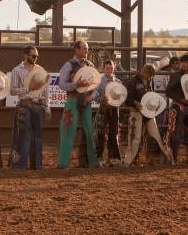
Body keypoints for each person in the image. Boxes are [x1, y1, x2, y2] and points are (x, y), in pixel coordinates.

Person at [57, 40, 98, 168]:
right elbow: (62, 84)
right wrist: (76, 85)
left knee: (88, 131)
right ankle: (63, 163)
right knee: (68, 129)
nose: (87, 50)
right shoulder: (68, 65)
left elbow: (96, 84)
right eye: (84, 48)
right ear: (76, 49)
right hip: (73, 98)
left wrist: (92, 96)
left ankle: (91, 163)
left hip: (85, 99)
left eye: (87, 48)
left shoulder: (89, 64)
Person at [9, 45, 50, 170]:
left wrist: (47, 107)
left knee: (37, 136)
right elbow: (12, 91)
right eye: (33, 56)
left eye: (37, 56)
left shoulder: (41, 70)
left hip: (37, 105)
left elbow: (45, 91)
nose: (35, 58)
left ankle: (36, 165)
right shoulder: (17, 70)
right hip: (25, 104)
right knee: (23, 135)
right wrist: (28, 88)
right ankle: (19, 164)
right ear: (26, 55)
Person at [123, 63, 172, 166]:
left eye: (150, 76)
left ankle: (151, 158)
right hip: (137, 111)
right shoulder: (133, 81)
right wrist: (135, 103)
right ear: (144, 72)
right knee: (135, 137)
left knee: (154, 135)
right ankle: (130, 161)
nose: (149, 77)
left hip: (148, 111)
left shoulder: (149, 80)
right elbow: (127, 97)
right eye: (148, 75)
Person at [165, 53, 188, 166]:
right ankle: (174, 159)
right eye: (182, 62)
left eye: (186, 62)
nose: (183, 64)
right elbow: (169, 91)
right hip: (178, 105)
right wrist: (181, 99)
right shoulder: (176, 75)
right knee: (176, 133)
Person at [93, 59, 122, 167]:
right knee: (100, 134)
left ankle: (113, 158)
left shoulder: (118, 82)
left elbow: (121, 98)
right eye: (108, 68)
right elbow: (95, 97)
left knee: (114, 134)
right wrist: (102, 99)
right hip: (104, 108)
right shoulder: (100, 82)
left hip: (114, 109)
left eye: (111, 68)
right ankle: (100, 158)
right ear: (103, 69)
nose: (110, 70)